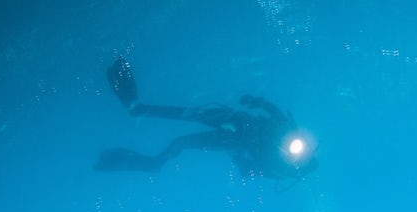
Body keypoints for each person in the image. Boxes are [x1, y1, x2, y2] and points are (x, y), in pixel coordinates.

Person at [95, 57, 317, 184]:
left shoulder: (276, 166)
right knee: (191, 113)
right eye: (304, 151)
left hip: (234, 140)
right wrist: (256, 101)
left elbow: (248, 171)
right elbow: (275, 111)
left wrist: (243, 161)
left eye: (299, 158)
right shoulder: (290, 131)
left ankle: (154, 163)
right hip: (239, 119)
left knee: (181, 142)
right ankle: (139, 109)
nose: (297, 151)